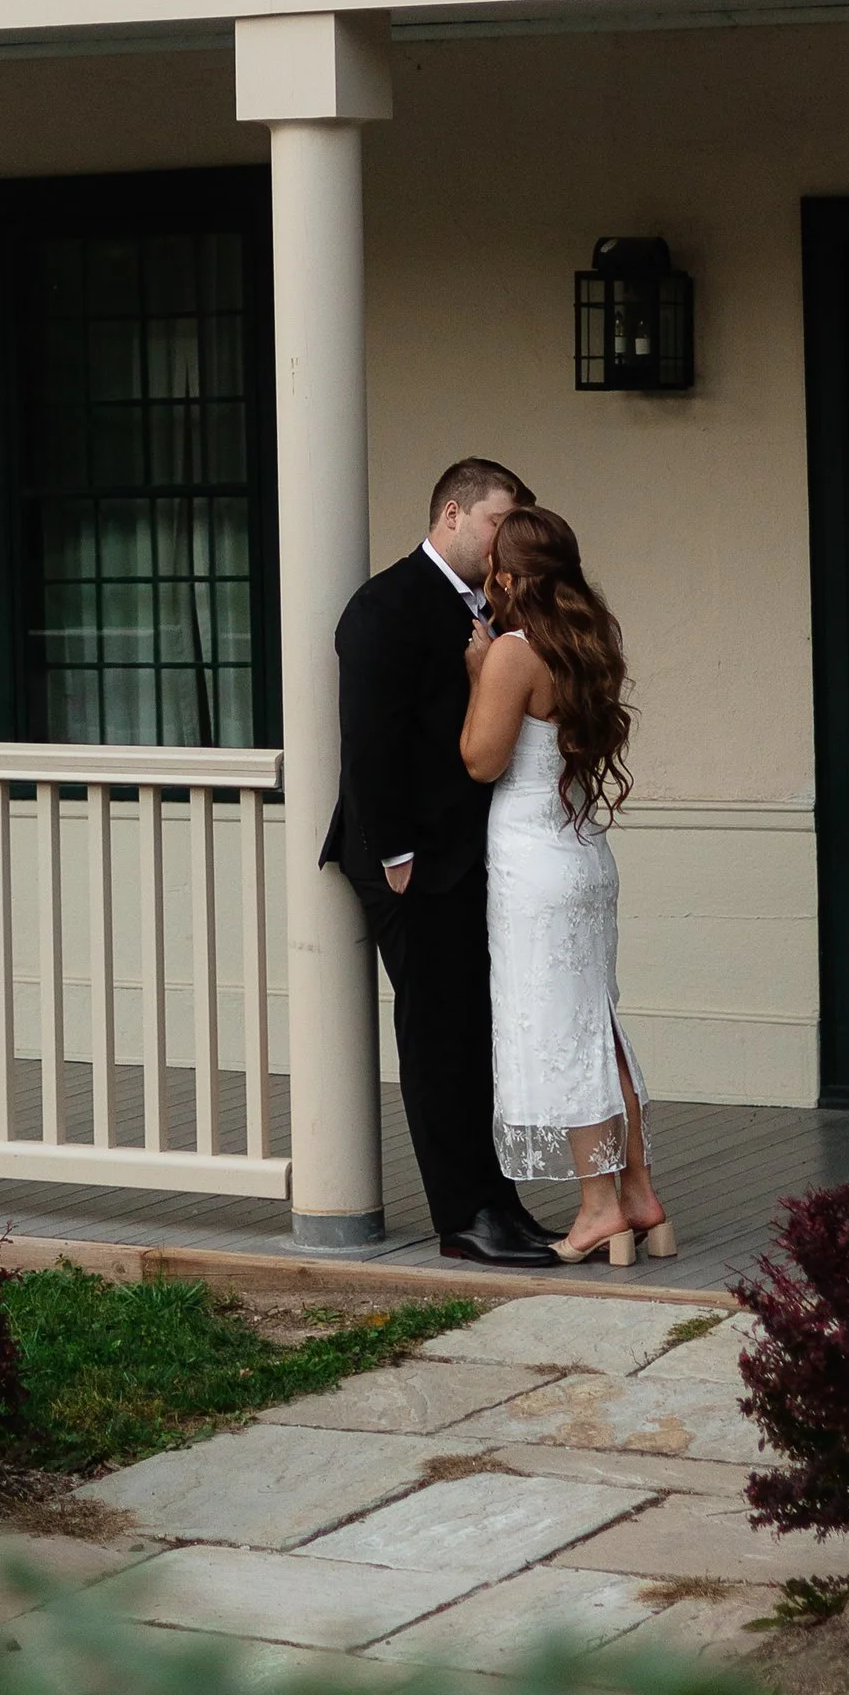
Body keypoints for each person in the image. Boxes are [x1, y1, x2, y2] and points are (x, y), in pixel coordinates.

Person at [323, 456, 559, 1267]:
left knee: (475, 1032)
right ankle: (463, 1218)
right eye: (497, 522)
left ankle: (500, 1203)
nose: (505, 541)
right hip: (409, 859)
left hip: (475, 855)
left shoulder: (494, 609)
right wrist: (395, 855)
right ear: (452, 516)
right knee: (437, 1035)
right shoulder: (384, 605)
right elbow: (370, 744)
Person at [460, 502, 671, 1270]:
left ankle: (597, 1209)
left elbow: (482, 761)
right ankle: (641, 1193)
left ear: (509, 576)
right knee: (598, 1025)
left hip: (533, 865)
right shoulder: (591, 639)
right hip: (585, 856)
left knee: (561, 1035)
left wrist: (482, 672)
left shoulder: (516, 650)